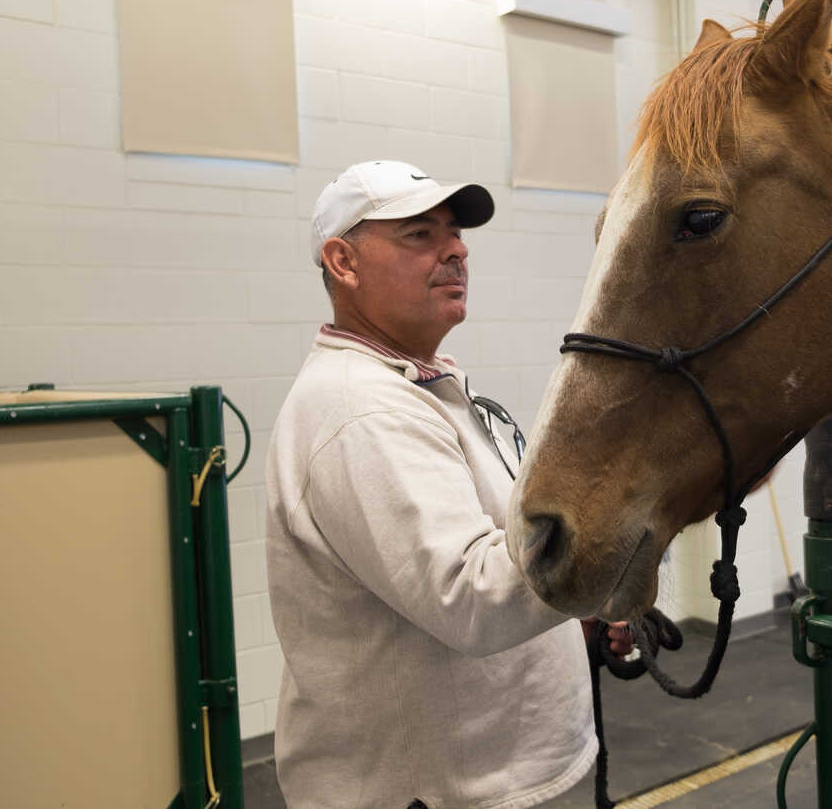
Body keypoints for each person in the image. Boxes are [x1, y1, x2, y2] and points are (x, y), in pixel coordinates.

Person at [266, 159, 627, 809]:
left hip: (497, 780)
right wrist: (623, 515)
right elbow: (472, 595)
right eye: (419, 235)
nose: (456, 248)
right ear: (343, 262)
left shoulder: (422, 382)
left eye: (455, 232)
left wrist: (583, 608)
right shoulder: (361, 411)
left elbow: (499, 545)